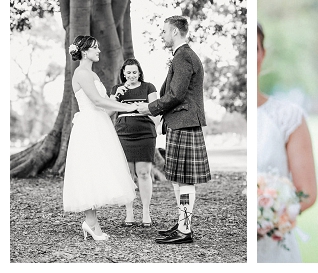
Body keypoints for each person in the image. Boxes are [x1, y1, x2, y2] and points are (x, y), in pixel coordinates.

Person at [137, 15, 211, 244]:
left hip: (184, 123)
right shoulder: (182, 56)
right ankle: (182, 224)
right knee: (180, 180)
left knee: (185, 180)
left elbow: (176, 95)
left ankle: (185, 230)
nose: (162, 35)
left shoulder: (183, 56)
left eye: (164, 31)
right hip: (181, 123)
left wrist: (150, 108)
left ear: (175, 32)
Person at [62, 35, 138, 241]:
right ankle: (91, 225)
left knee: (95, 171)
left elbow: (103, 105)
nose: (99, 51)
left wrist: (116, 101)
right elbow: (96, 100)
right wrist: (129, 107)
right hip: (89, 127)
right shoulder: (81, 72)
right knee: (89, 172)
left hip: (99, 123)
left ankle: (92, 224)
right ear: (85, 52)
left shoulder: (92, 75)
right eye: (95, 48)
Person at [256, 23, 317, 263]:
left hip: (273, 248)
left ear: (263, 53)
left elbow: (307, 193)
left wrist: (268, 214)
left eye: (256, 48)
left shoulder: (289, 117)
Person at [109, 58, 159, 227]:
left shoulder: (149, 87)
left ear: (139, 73)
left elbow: (155, 112)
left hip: (145, 133)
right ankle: (129, 213)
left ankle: (146, 212)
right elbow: (109, 111)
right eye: (128, 72)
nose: (131, 75)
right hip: (123, 134)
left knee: (144, 172)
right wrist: (117, 96)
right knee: (128, 174)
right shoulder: (117, 89)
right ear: (123, 73)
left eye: (134, 72)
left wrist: (142, 108)